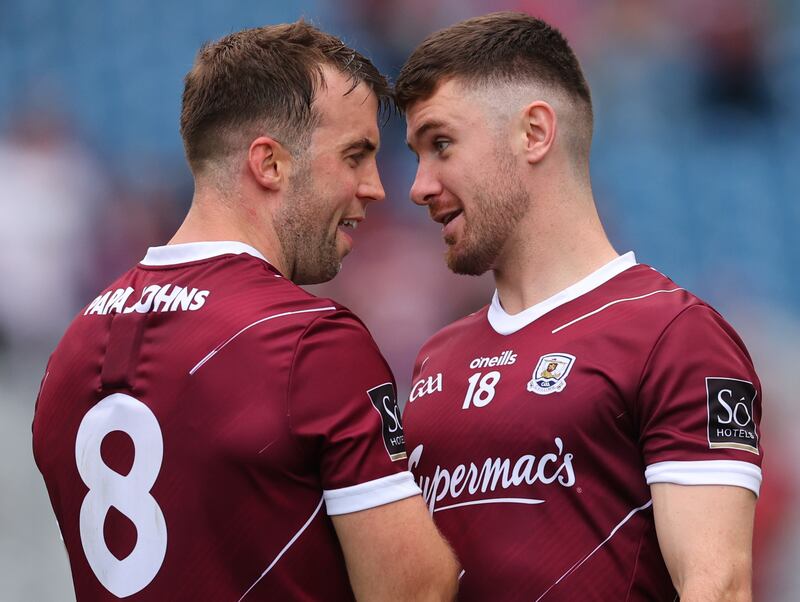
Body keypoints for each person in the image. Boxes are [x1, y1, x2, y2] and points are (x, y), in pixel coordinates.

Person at [32, 22, 458, 601]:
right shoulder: (307, 341)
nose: (376, 188)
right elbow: (415, 592)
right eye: (355, 156)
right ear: (270, 164)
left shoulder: (71, 350)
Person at [396, 12, 761, 602]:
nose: (419, 185)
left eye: (441, 145)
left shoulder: (673, 335)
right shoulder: (435, 359)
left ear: (535, 132)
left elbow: (717, 587)